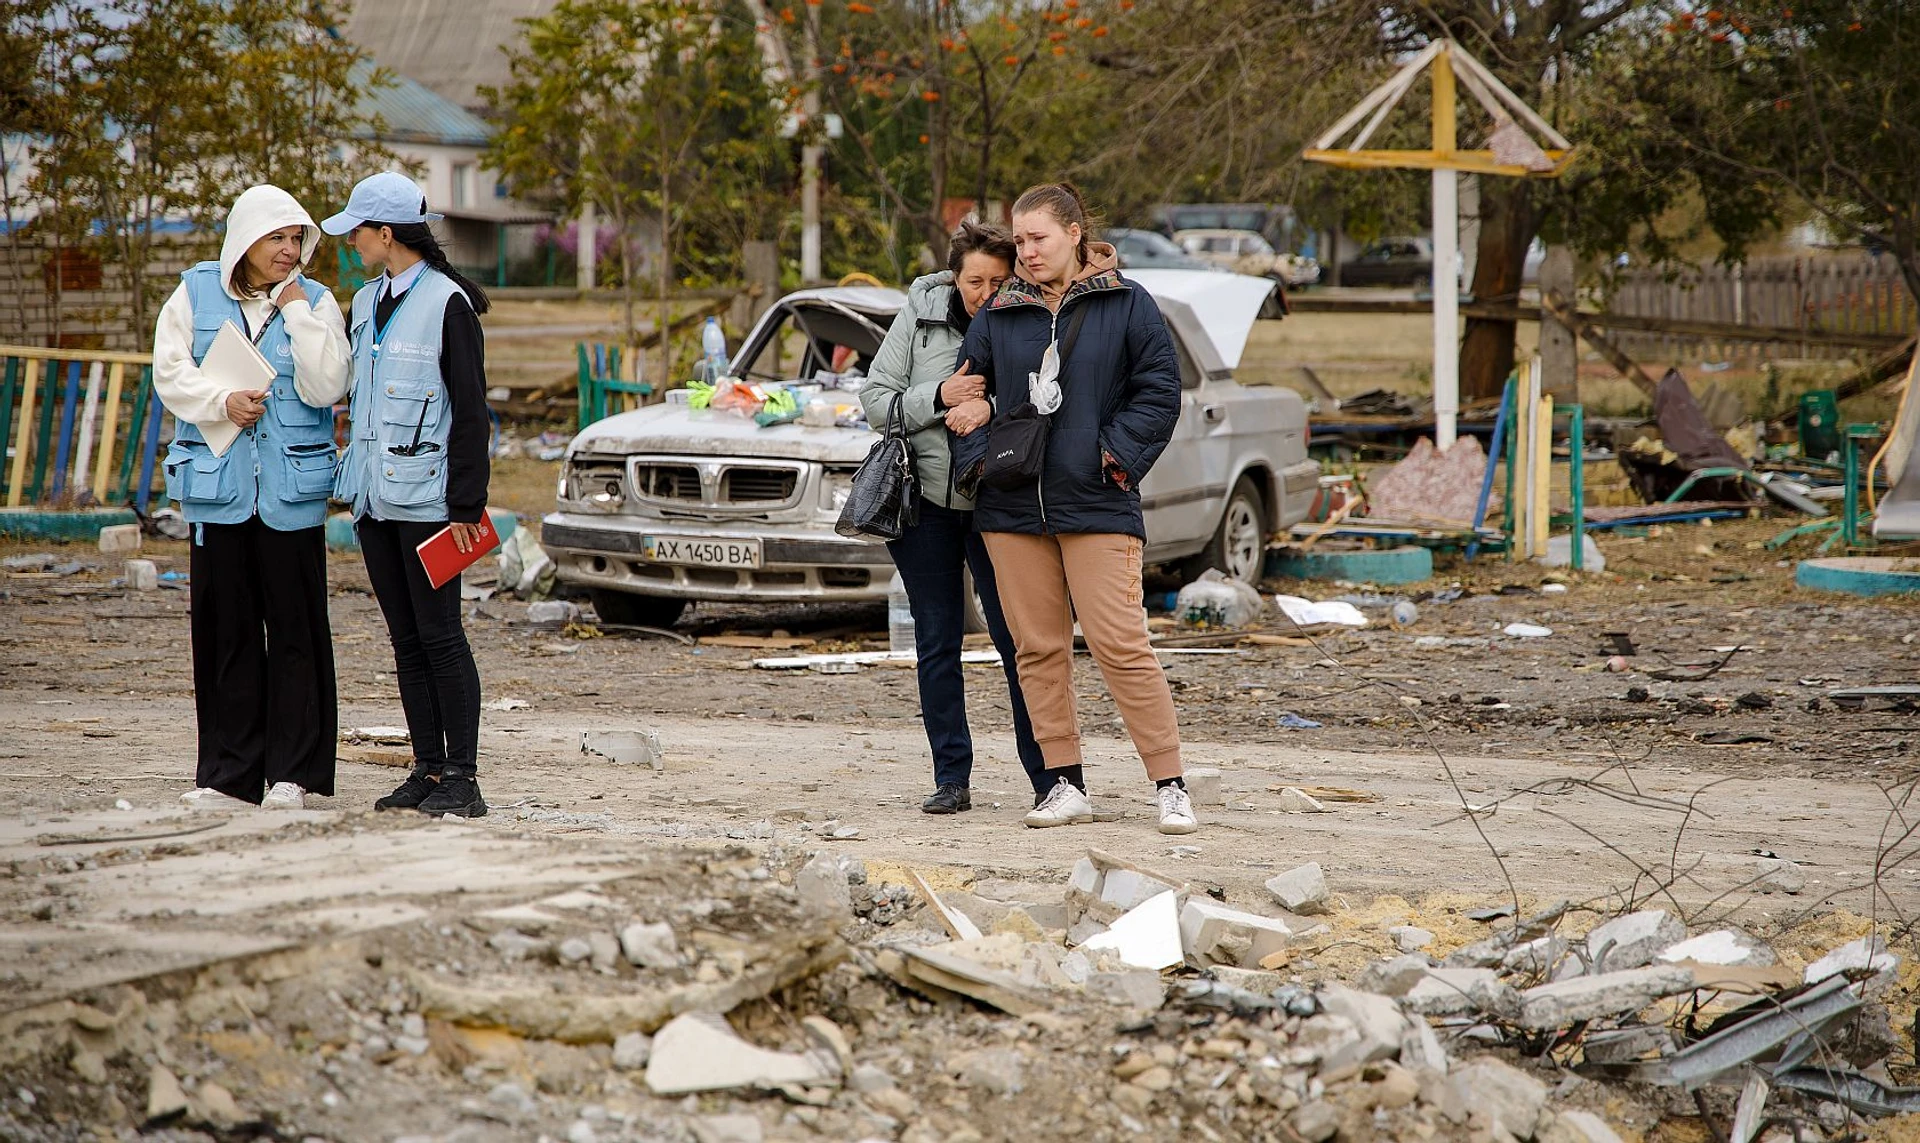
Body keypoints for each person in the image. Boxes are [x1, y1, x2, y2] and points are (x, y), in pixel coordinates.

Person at [950, 183, 1196, 835]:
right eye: (1020, 240)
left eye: (1038, 238)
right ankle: (1065, 783)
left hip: (1096, 501)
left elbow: (1160, 392)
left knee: (1121, 644)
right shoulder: (998, 311)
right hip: (1012, 511)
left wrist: (1112, 455)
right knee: (1038, 649)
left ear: (1076, 233)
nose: (1026, 252)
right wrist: (977, 454)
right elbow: (964, 391)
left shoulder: (1129, 303)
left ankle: (1170, 784)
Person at [153, 185, 351, 811]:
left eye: (298, 240)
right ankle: (226, 776)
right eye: (278, 239)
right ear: (246, 240)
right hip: (220, 495)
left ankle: (292, 775)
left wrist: (296, 310)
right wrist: (220, 402)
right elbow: (169, 371)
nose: (290, 252)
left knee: (296, 632)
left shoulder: (317, 302)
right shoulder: (194, 292)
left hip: (290, 495)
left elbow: (327, 385)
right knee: (226, 633)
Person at [859, 222, 1049, 814]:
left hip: (1000, 502)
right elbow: (874, 402)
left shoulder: (1028, 317)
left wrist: (989, 404)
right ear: (953, 276)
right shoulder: (918, 316)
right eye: (974, 281)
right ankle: (952, 779)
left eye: (998, 280)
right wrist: (939, 396)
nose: (986, 293)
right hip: (924, 505)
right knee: (937, 641)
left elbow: (1047, 399)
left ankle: (1050, 779)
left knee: (1017, 641)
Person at [320, 172, 493, 818]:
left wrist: (468, 506)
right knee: (407, 641)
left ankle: (464, 778)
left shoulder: (449, 304)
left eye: (357, 232)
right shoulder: (365, 304)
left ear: (385, 234)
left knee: (442, 635)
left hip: (430, 507)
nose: (351, 243)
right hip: (373, 503)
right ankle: (426, 767)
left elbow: (472, 414)